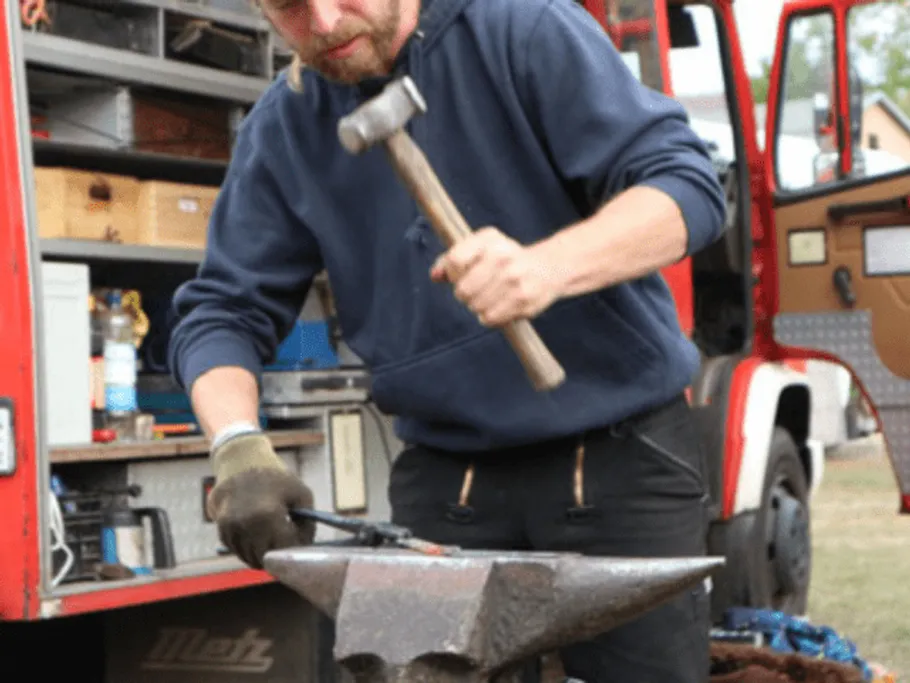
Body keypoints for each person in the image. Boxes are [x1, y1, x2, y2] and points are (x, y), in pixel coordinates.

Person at [167, 0, 727, 680]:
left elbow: (687, 188)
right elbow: (221, 310)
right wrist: (237, 445)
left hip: (619, 461)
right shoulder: (285, 127)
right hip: (445, 482)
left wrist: (547, 266)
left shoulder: (525, 31)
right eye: (288, 6)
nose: (322, 22)